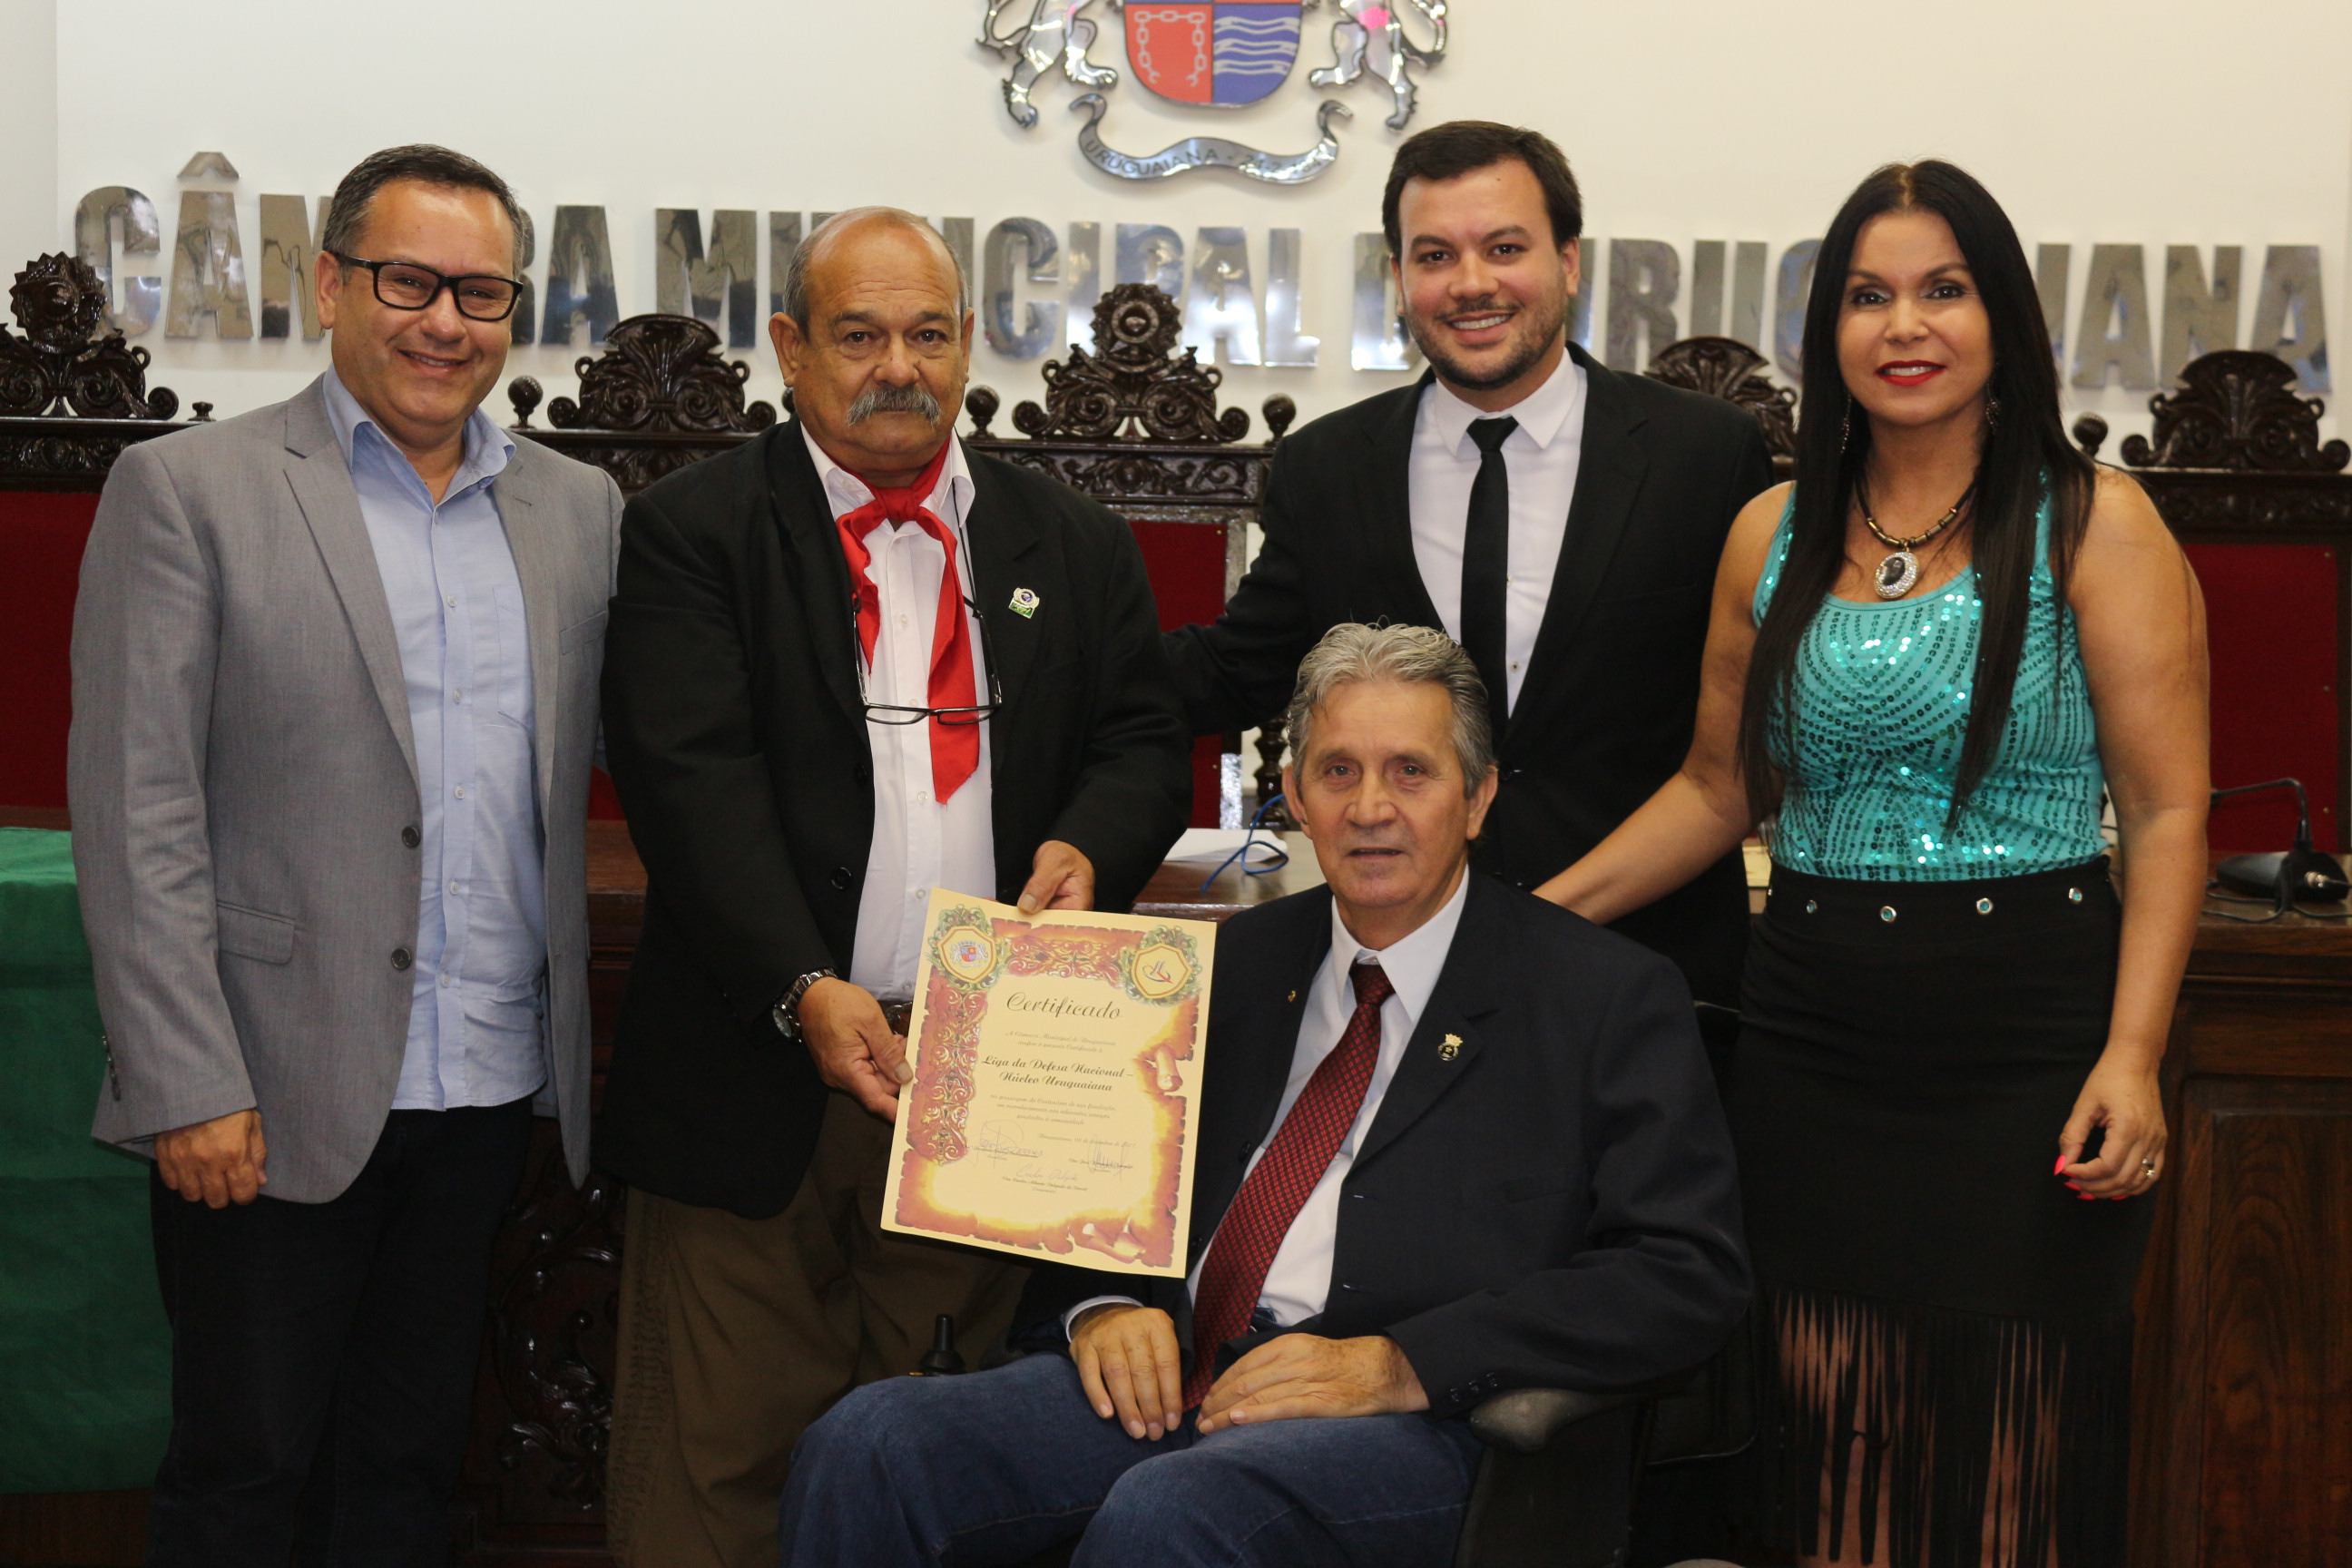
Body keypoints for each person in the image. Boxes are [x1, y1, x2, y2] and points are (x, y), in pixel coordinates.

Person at [1545, 161, 2209, 1568]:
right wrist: (1527, 924)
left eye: (1942, 290)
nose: (1905, 325)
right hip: (1816, 1045)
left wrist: (2136, 1055)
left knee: (2011, 1478)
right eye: (1868, 295)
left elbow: (2164, 814)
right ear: (1829, 330)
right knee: (1838, 1459)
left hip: (2033, 1047)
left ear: (2001, 317)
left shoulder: (2097, 521)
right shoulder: (1770, 533)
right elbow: (1720, 789)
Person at [779, 622, 1749, 1568]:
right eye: (1338, 772)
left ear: (1478, 797)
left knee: (1179, 1511)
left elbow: (1685, 1273)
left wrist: (1405, 1362)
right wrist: (1101, 1305)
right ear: (1294, 795)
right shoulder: (1224, 965)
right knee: (872, 1443)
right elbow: (1089, 1178)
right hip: (1183, 1380)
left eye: (1411, 771)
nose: (1371, 807)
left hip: (1421, 1423)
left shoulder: (1602, 995)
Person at [593, 207, 1191, 1568]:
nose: (898, 368)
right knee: (716, 1481)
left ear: (969, 342)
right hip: (754, 1082)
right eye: (859, 336)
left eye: (928, 334)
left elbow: (1143, 741)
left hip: (984, 1089)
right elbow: (688, 782)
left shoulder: (1070, 542)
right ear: (791, 348)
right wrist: (802, 987)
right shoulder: (695, 532)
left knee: (921, 1474)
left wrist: (1092, 845)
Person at [67, 145, 622, 1565]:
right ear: (330, 284)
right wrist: (187, 1079)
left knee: (408, 1470)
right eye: (407, 282)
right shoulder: (188, 490)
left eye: (481, 293)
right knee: (244, 1476)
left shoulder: (578, 511)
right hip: (262, 1097)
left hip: (484, 1086)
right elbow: (135, 811)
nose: (446, 321)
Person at [1165, 121, 1772, 1013]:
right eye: (1436, 255)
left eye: (1505, 248)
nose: (1472, 283)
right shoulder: (1328, 468)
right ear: (1399, 278)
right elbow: (1235, 670)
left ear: (1569, 262)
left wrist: (1531, 927)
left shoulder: (1705, 457)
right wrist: (1039, 642)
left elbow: (1744, 750)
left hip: (1648, 978)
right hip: (1398, 985)